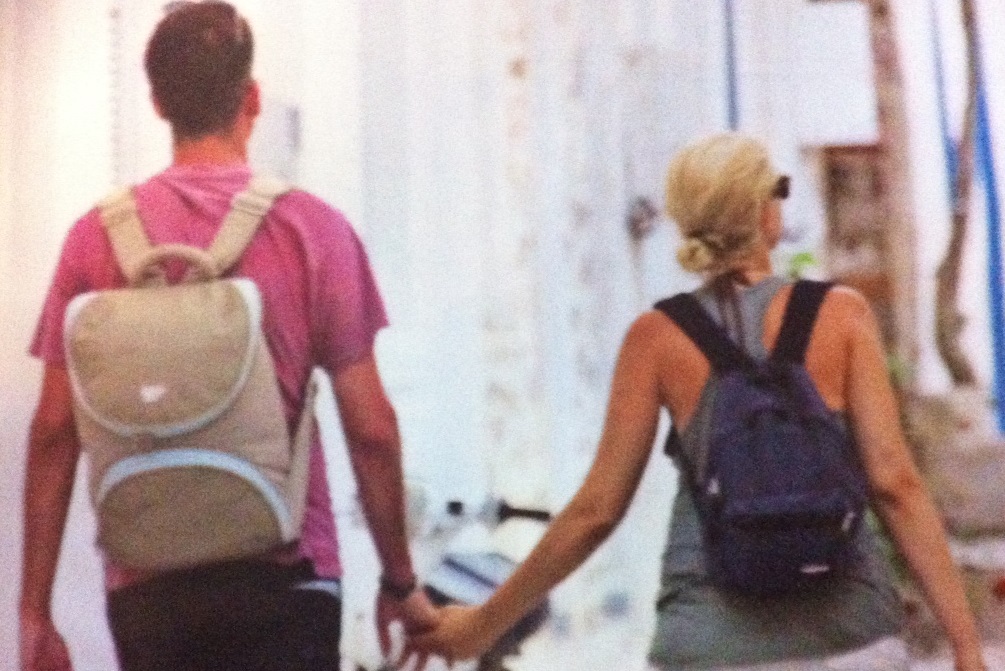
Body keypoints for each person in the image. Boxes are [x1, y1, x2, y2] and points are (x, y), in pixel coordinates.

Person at [414, 133, 988, 670]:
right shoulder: (843, 317)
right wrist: (967, 647)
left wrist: (484, 624)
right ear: (765, 212)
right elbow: (895, 484)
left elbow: (597, 512)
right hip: (850, 635)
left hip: (711, 641)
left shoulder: (656, 339)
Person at [19, 3, 437, 670]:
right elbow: (372, 431)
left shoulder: (94, 239)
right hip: (288, 579)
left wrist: (35, 611)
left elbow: (51, 433)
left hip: (149, 588)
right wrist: (399, 581)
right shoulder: (312, 230)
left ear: (158, 103)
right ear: (253, 98)